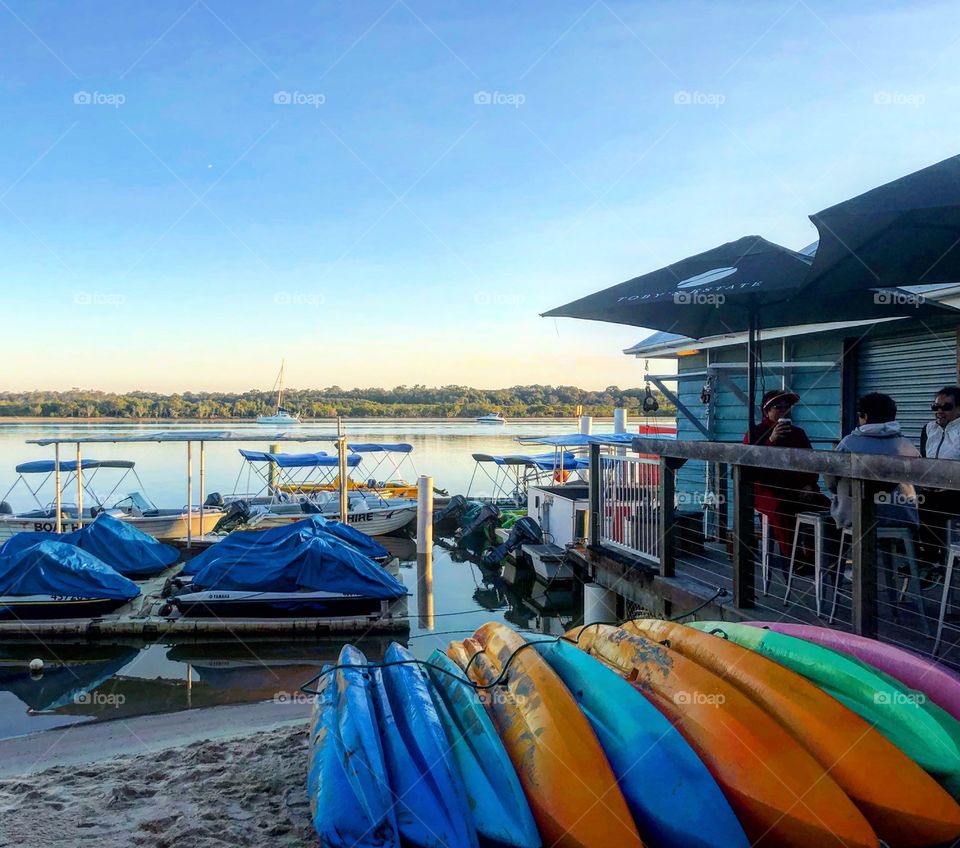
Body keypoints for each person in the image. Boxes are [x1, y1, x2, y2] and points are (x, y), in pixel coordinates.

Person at [744, 389, 829, 571]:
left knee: (828, 508)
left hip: (799, 489)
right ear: (766, 411)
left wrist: (809, 484)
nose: (784, 411)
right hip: (767, 491)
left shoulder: (798, 433)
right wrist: (771, 441)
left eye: (787, 407)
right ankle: (793, 561)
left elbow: (812, 463)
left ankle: (820, 558)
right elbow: (749, 467)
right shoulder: (756, 432)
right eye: (778, 407)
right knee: (781, 509)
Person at [825, 392, 919, 532]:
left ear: (865, 416)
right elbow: (920, 485)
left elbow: (831, 483)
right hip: (902, 518)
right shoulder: (906, 445)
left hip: (855, 518)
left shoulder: (849, 443)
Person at [917, 385, 960, 576]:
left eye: (946, 407)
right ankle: (929, 558)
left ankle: (933, 560)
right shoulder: (928, 429)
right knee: (914, 500)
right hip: (931, 489)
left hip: (955, 492)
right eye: (936, 407)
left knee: (930, 505)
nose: (940, 411)